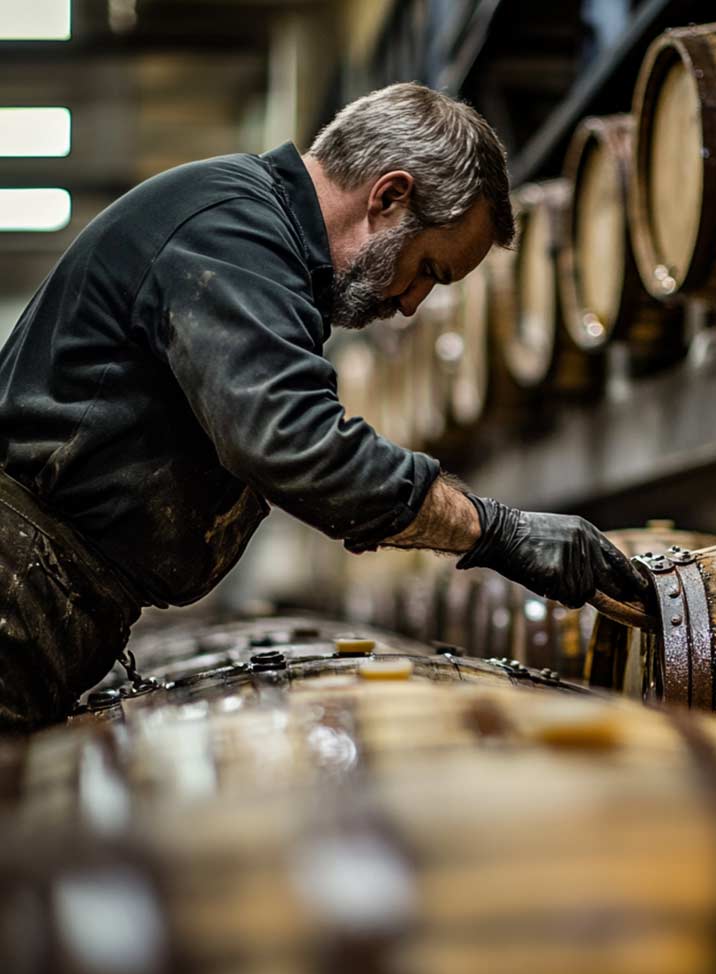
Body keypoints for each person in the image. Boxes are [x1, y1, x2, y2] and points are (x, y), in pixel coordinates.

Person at [0, 83, 646, 732]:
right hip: (19, 581)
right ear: (389, 197)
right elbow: (288, 439)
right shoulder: (230, 228)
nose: (413, 302)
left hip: (50, 590)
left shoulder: (256, 241)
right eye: (429, 269)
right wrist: (498, 532)